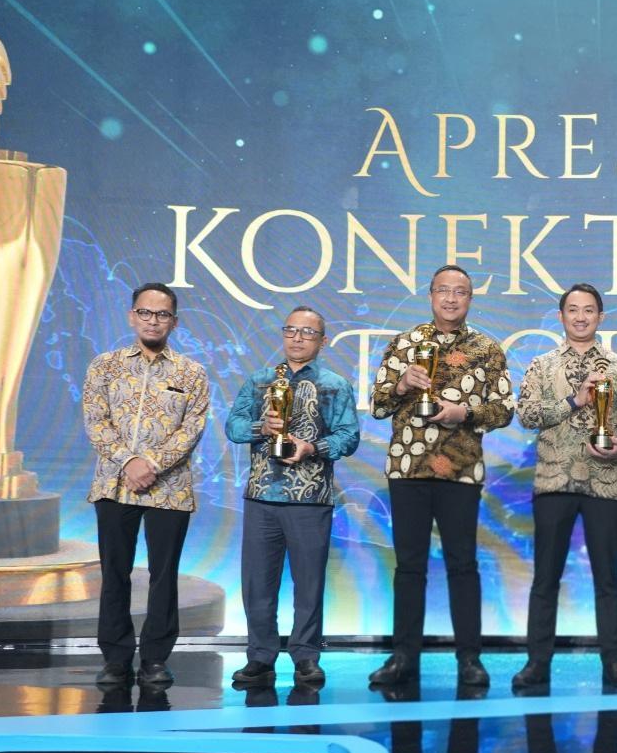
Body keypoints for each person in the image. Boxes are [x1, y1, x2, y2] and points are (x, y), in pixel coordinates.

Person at [367, 265, 514, 688]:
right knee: (409, 567)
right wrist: (400, 386)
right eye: (443, 290)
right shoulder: (405, 343)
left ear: (470, 299)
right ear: (431, 295)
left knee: (463, 565)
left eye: (460, 292)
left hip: (461, 470)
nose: (451, 298)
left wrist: (464, 413)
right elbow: (377, 405)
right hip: (408, 467)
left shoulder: (487, 348)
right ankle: (403, 658)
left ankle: (470, 659)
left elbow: (504, 409)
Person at [511, 284, 617, 692]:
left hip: (604, 483)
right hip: (554, 480)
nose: (580, 317)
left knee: (608, 579)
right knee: (545, 578)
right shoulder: (542, 365)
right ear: (561, 317)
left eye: (589, 310)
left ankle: (614, 664)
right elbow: (527, 414)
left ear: (601, 318)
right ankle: (537, 663)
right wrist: (573, 401)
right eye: (573, 310)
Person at [82, 282, 210, 688]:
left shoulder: (191, 372)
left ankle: (155, 658)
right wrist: (129, 461)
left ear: (175, 321)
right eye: (145, 312)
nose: (153, 320)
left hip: (170, 488)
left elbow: (192, 429)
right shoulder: (104, 366)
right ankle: (116, 658)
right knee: (114, 572)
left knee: (163, 575)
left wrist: (151, 464)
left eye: (162, 314)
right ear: (131, 316)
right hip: (114, 483)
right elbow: (96, 421)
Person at [227, 308, 361, 689]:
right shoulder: (260, 381)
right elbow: (233, 426)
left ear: (323, 340)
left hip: (310, 498)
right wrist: (262, 426)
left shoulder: (334, 385)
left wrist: (312, 447)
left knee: (309, 583)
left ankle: (306, 656)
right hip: (262, 495)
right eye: (291, 330)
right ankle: (260, 657)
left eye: (308, 332)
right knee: (257, 582)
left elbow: (349, 436)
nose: (298, 338)